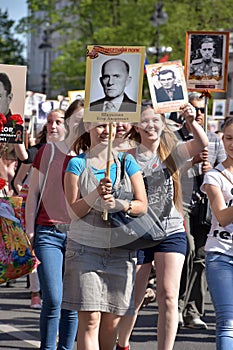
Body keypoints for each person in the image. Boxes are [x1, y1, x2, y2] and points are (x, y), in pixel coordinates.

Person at [116, 101, 208, 350]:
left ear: (163, 124)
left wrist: (191, 120)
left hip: (171, 231)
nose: (150, 125)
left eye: (156, 120)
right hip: (138, 233)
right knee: (132, 298)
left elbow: (202, 144)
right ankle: (122, 344)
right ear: (137, 124)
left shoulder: (171, 152)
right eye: (145, 120)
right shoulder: (127, 156)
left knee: (167, 296)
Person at [61, 121, 148, 350]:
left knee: (111, 325)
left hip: (121, 250)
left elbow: (142, 205)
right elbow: (73, 211)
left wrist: (120, 204)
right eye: (99, 125)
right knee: (90, 321)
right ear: (88, 127)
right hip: (85, 249)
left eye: (109, 126)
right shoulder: (76, 164)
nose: (105, 131)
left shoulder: (126, 162)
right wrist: (95, 195)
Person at [25, 99, 85, 349]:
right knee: (54, 298)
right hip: (48, 232)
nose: (81, 124)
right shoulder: (48, 152)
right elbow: (33, 194)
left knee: (71, 302)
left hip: (79, 236)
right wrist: (29, 229)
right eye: (77, 119)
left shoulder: (93, 156)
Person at [177, 92, 226, 329]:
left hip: (206, 206)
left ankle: (193, 310)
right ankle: (176, 304)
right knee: (185, 249)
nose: (197, 114)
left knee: (201, 257)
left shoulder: (216, 140)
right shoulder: (175, 137)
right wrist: (193, 162)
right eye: (193, 109)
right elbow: (169, 170)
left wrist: (212, 168)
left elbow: (227, 168)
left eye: (201, 110)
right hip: (183, 203)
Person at [14, 109, 67, 309]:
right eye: (50, 122)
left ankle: (66, 333)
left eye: (58, 122)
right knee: (53, 294)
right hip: (45, 226)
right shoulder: (40, 151)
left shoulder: (79, 154)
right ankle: (36, 293)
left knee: (69, 293)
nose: (53, 126)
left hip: (72, 229)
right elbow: (22, 177)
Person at [201, 116, 233, 349]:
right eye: (229, 138)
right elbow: (222, 217)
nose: (232, 143)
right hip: (221, 256)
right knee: (228, 323)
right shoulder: (214, 176)